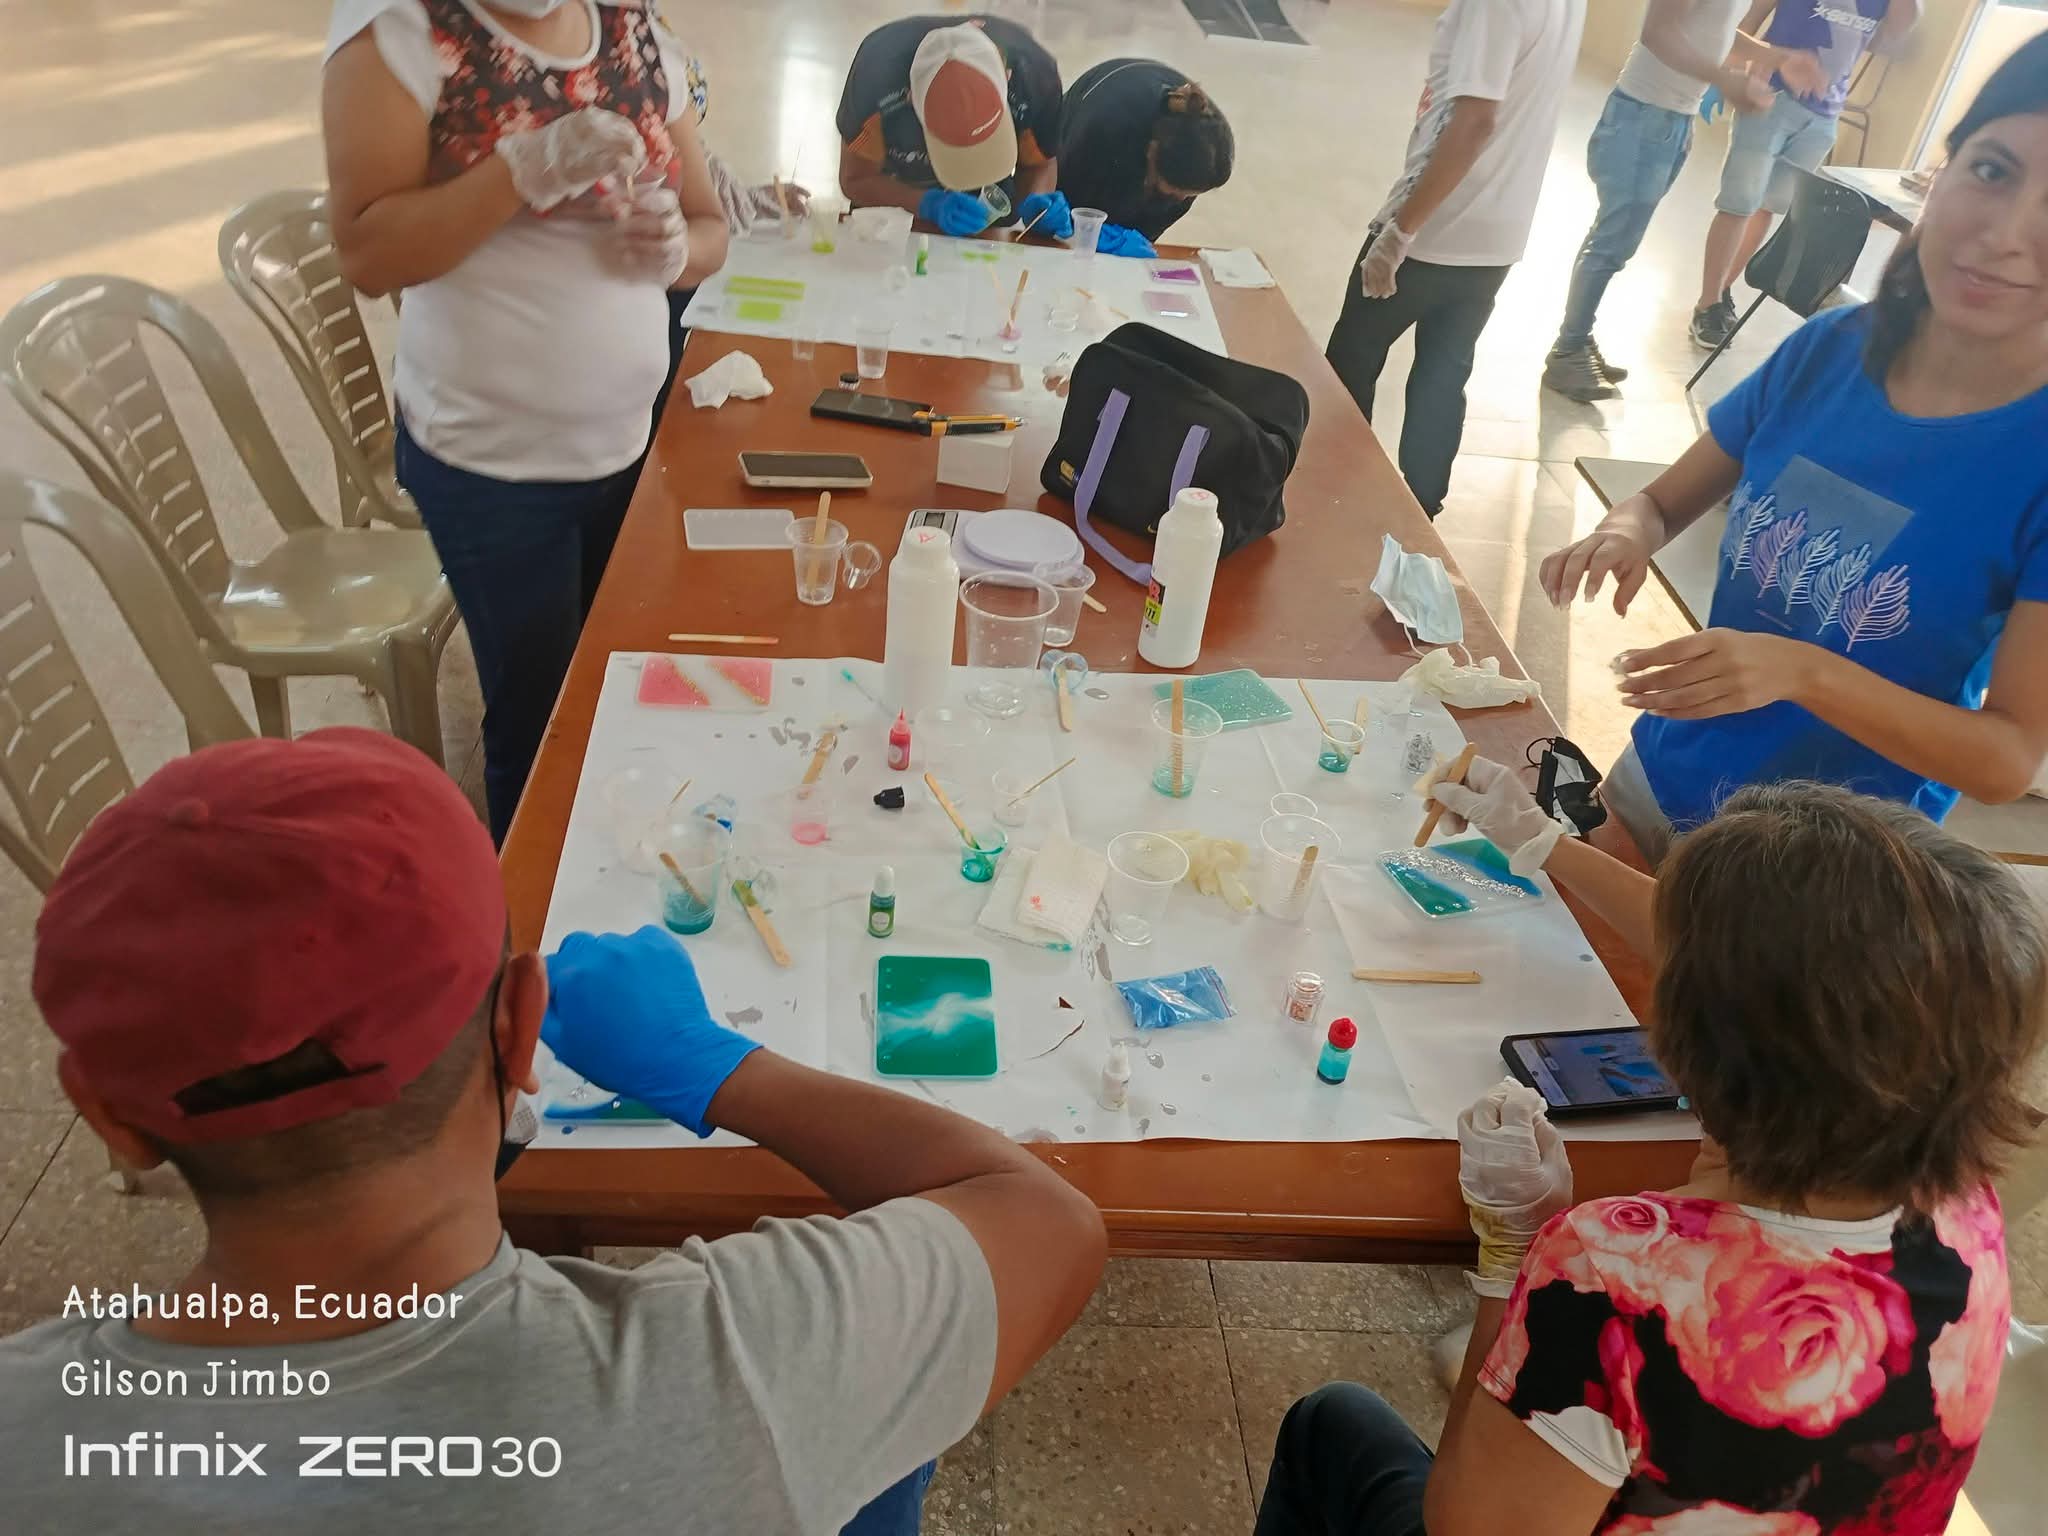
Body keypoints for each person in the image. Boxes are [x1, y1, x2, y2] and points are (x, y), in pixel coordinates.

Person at [0, 729, 1106, 1532]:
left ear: (112, 1121)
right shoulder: (735, 1375)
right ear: (521, 1026)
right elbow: (1047, 1223)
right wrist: (720, 1068)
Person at [1260, 777, 2042, 1536]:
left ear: (1698, 1043)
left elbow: (1461, 1527)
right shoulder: (1961, 1201)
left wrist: (1515, 1256)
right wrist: (1544, 844)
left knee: (1332, 1425)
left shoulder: (1618, 1277)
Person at [1541, 34, 2048, 862]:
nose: (2004, 236)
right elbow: (1662, 502)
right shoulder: (1833, 347)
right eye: (1992, 171)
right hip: (1662, 777)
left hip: (1810, 875)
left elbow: (2006, 759)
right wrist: (1625, 530)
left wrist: (1803, 672)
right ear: (1942, 171)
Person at [323, 0, 730, 845]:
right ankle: (528, 914)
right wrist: (523, 169)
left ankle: (608, 871)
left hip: (628, 442)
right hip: (495, 467)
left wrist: (675, 251)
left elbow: (709, 223)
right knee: (540, 721)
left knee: (618, 685)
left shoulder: (632, 28)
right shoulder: (404, 30)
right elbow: (367, 254)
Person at [1324, 0, 1586, 518]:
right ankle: (1422, 514)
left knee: (1350, 360)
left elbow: (1474, 122)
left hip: (1435, 227)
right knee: (1444, 374)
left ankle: (1336, 496)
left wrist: (1401, 231)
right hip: (1499, 233)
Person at [1542, 0, 1823, 402]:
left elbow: (1712, 32)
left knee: (1615, 240)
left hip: (1671, 117)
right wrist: (1724, 80)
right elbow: (1658, 33)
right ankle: (1568, 350)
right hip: (1644, 115)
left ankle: (1577, 337)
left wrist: (1776, 57)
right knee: (1612, 242)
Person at [1693, 0, 1922, 348]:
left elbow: (1901, 29)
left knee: (1767, 207)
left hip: (1823, 115)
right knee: (1739, 203)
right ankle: (1706, 304)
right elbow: (1746, 22)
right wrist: (1726, 76)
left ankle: (1722, 291)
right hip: (1769, 97)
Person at [835, 16, 1062, 241]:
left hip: (986, 210)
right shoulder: (875, 78)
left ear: (1007, 76)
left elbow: (1039, 165)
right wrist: (925, 204)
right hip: (897, 213)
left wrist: (1036, 206)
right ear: (912, 98)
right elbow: (856, 179)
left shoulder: (1035, 76)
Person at [1052, 59, 1234, 246]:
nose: (1181, 199)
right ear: (1152, 152)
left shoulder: (1210, 149)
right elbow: (1065, 196)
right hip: (1090, 124)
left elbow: (1156, 221)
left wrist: (1139, 240)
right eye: (1178, 191)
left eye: (1189, 194)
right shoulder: (1102, 127)